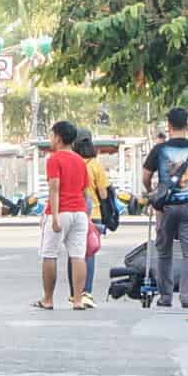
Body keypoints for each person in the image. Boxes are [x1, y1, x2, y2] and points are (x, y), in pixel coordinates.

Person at [145, 108, 188, 308]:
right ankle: (187, 297)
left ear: (169, 125)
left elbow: (145, 177)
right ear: (187, 125)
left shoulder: (160, 150)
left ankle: (165, 297)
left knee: (164, 252)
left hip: (166, 208)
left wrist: (153, 194)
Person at [38, 120, 91, 311]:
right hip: (79, 212)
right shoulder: (80, 160)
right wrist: (86, 215)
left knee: (49, 254)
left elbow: (54, 188)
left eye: (52, 135)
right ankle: (77, 300)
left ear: (58, 138)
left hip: (61, 212)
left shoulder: (54, 159)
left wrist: (54, 217)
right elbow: (85, 191)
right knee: (78, 256)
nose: (50, 139)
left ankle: (48, 299)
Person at [79, 131, 109, 306]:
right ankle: (87, 293)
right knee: (89, 254)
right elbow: (104, 193)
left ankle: (75, 291)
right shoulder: (96, 165)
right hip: (95, 214)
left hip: (76, 212)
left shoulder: (73, 163)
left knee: (75, 255)